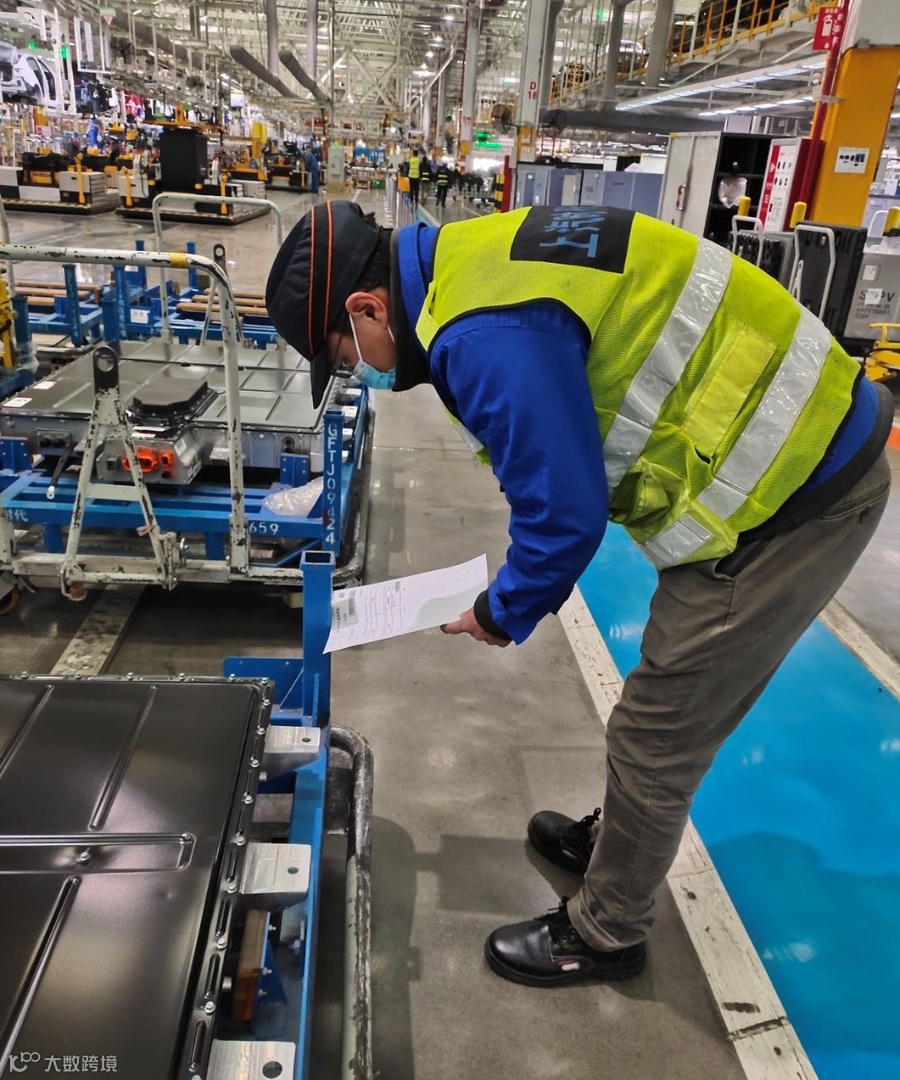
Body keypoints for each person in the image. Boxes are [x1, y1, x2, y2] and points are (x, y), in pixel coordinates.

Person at [265, 201, 892, 989]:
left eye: (345, 356)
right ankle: (618, 844)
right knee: (656, 715)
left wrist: (501, 610)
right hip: (794, 445)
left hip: (796, 493)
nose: (365, 375)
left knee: (658, 732)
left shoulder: (479, 333)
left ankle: (607, 931)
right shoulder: (470, 258)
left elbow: (565, 515)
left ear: (367, 309)